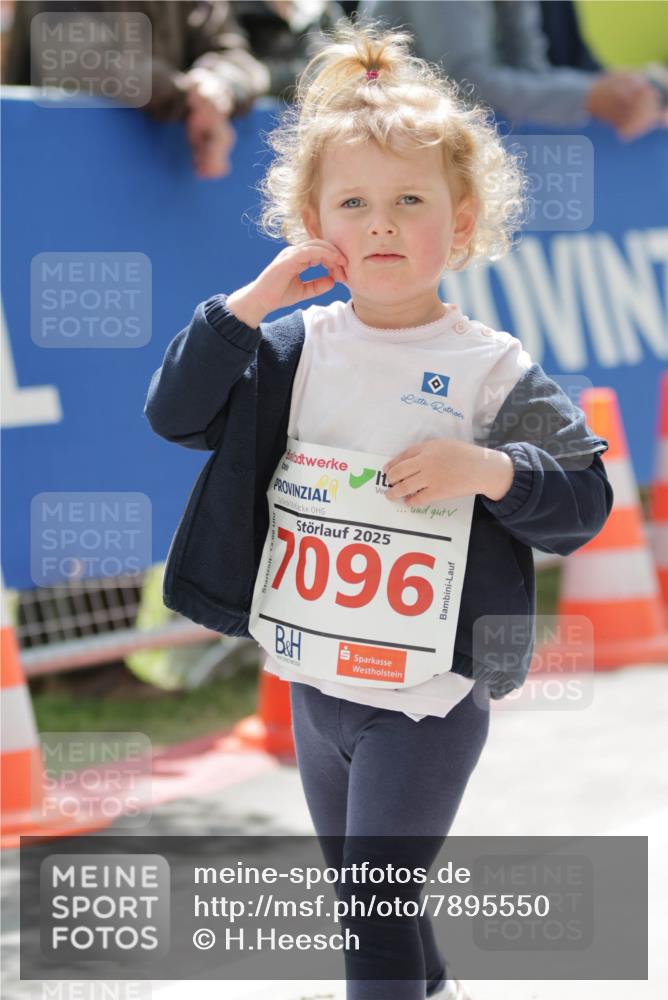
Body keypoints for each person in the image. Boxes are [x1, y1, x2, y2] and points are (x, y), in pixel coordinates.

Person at [143, 20, 613, 999]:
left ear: (465, 220)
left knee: (372, 907)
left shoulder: (490, 369)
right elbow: (174, 416)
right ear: (313, 220)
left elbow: (581, 500)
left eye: (410, 201)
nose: (383, 224)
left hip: (426, 700)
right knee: (376, 906)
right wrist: (249, 302)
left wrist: (484, 468)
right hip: (315, 686)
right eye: (353, 203)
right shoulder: (288, 348)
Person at [1, 1, 271, 178]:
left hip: (157, 192)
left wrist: (218, 88)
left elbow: (236, 58)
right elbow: (80, 61)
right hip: (55, 176)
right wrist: (192, 98)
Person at [359, 0, 667, 140]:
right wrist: (589, 96)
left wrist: (625, 92)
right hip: (394, 145)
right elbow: (465, 84)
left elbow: (532, 71)